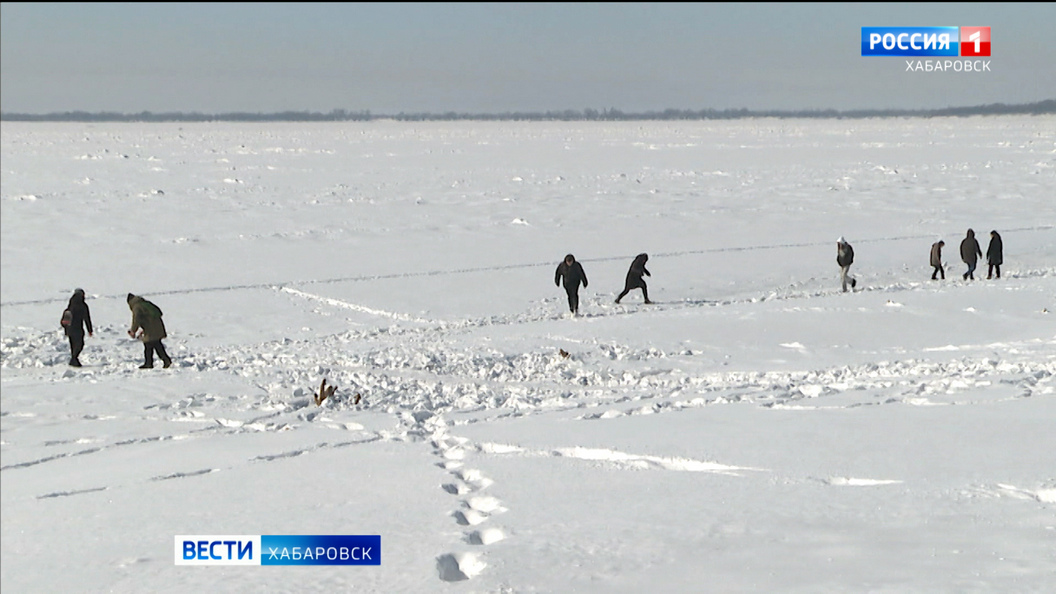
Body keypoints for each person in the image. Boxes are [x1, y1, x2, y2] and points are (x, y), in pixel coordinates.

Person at [127, 293, 172, 369]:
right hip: (157, 326)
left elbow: (136, 319)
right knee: (156, 344)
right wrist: (143, 330)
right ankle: (164, 360)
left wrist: (133, 330)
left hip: (151, 328)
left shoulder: (137, 307)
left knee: (149, 345)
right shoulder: (145, 303)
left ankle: (150, 363)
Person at [62, 288, 93, 367]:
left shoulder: (70, 304)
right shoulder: (83, 306)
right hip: (78, 329)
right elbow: (87, 318)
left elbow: (65, 319)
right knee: (80, 344)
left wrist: (66, 329)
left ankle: (74, 359)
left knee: (73, 345)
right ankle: (74, 359)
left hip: (70, 330)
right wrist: (90, 330)